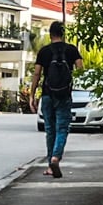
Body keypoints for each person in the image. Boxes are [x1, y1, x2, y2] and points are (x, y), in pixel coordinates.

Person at [33, 20, 83, 177]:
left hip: (47, 94)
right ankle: (56, 157)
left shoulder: (44, 51)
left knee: (50, 129)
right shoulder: (71, 50)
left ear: (50, 34)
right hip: (64, 95)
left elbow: (37, 74)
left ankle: (49, 165)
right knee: (62, 128)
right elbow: (80, 69)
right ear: (63, 33)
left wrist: (32, 95)